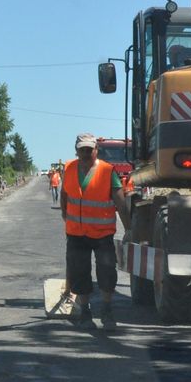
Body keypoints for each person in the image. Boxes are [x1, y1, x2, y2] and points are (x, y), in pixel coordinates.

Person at [60, 133, 131, 330]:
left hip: (102, 233)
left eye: (89, 150)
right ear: (76, 150)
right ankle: (85, 312)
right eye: (82, 149)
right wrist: (67, 217)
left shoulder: (108, 171)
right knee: (79, 272)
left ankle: (107, 310)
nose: (85, 153)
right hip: (76, 233)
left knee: (106, 271)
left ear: (96, 150)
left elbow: (121, 203)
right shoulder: (69, 168)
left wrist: (129, 229)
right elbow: (64, 196)